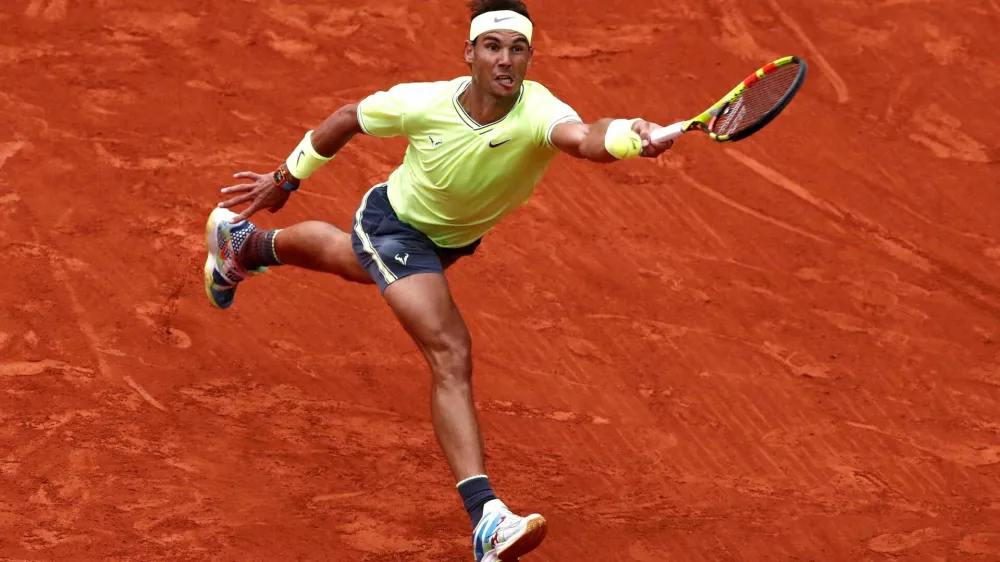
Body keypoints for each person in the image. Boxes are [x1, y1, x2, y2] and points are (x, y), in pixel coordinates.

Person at [203, 0, 673, 559]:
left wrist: (626, 133)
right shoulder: (423, 102)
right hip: (395, 226)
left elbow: (583, 137)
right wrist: (286, 178)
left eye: (517, 48)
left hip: (447, 243)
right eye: (493, 46)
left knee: (352, 263)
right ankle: (487, 518)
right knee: (450, 351)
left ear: (529, 58)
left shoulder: (539, 109)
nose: (505, 59)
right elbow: (350, 116)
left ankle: (245, 246)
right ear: (470, 53)